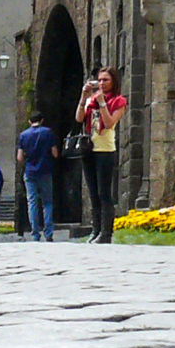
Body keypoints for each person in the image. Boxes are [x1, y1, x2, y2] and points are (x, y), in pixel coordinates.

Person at [77, 66, 127, 244]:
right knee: (93, 192)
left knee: (104, 192)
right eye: (99, 80)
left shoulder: (119, 101)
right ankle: (95, 229)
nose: (102, 83)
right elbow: (79, 118)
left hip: (105, 150)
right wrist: (84, 98)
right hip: (89, 149)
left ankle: (106, 233)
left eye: (106, 80)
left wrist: (103, 103)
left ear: (113, 82)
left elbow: (109, 122)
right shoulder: (91, 99)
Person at [14, 111, 57, 241]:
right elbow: (55, 153)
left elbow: (19, 157)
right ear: (42, 120)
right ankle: (48, 233)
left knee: (32, 202)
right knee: (47, 202)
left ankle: (35, 233)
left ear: (29, 121)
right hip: (45, 170)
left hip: (30, 171)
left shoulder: (23, 135)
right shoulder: (48, 133)